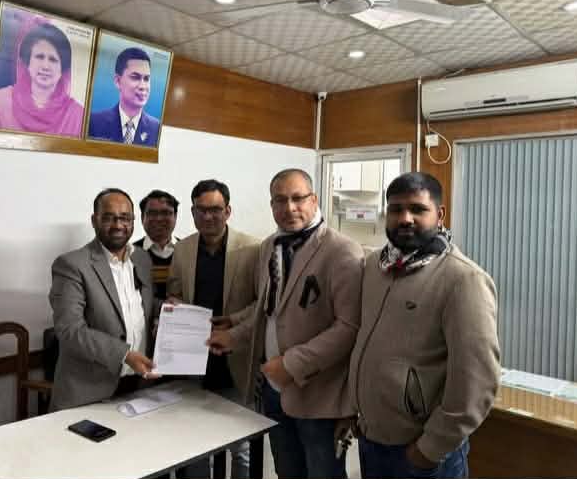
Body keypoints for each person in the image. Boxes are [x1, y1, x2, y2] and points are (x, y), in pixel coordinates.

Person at [336, 172, 500, 479]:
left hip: (421, 453)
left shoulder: (463, 279)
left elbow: (476, 382)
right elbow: (362, 344)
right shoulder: (374, 267)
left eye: (417, 209)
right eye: (396, 209)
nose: (405, 218)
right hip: (371, 439)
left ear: (439, 214)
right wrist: (352, 406)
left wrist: (429, 449)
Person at [208, 169, 365, 479]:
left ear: (314, 200)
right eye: (280, 200)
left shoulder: (342, 250)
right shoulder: (270, 246)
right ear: (271, 205)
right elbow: (270, 310)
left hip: (319, 394)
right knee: (287, 472)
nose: (289, 208)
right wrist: (233, 335)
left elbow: (349, 327)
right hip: (272, 389)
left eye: (298, 198)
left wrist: (291, 365)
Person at [167, 179, 260, 479]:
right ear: (192, 212)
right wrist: (173, 305)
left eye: (215, 209)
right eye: (201, 210)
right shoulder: (183, 249)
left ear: (228, 211)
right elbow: (175, 292)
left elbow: (263, 303)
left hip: (236, 359)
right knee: (195, 442)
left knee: (241, 446)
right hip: (193, 359)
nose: (208, 216)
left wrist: (233, 323)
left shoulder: (253, 248)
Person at [48, 188, 158, 411]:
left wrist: (167, 307)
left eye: (125, 217)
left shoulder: (142, 259)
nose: (118, 225)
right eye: (109, 217)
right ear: (94, 220)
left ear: (133, 221)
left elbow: (140, 303)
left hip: (139, 386)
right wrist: (124, 355)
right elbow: (70, 330)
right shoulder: (71, 265)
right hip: (88, 393)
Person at [0, 20, 84, 137]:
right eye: (39, 57)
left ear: (63, 69)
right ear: (27, 62)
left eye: (53, 60)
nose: (45, 66)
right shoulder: (0, 101)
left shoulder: (77, 115)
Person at [88, 47, 160, 147]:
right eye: (135, 77)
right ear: (118, 81)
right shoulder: (94, 122)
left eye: (146, 79)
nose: (143, 86)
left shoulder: (156, 128)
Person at [133, 190, 180, 301]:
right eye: (152, 213)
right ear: (142, 217)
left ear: (175, 216)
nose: (159, 219)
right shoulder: (129, 254)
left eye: (165, 213)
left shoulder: (189, 251)